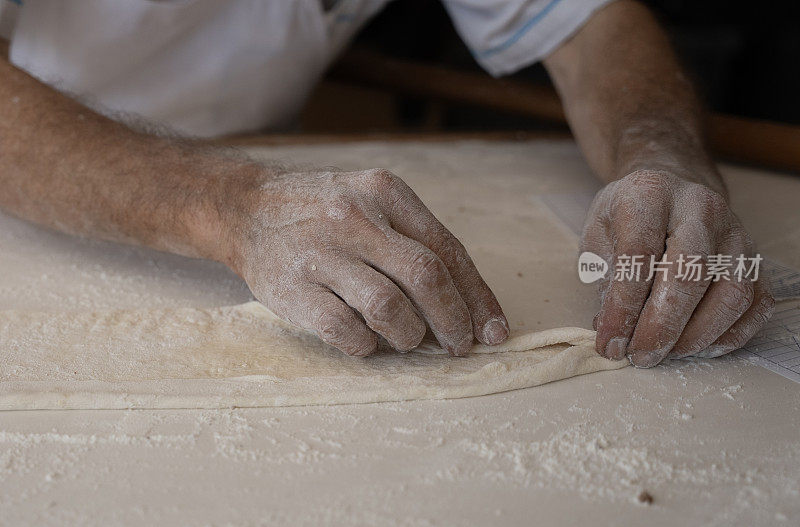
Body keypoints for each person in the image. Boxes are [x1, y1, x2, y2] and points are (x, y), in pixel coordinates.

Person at [0, 0, 773, 367]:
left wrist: (660, 156)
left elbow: (590, 27)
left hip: (260, 162)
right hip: (36, 199)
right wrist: (233, 206)